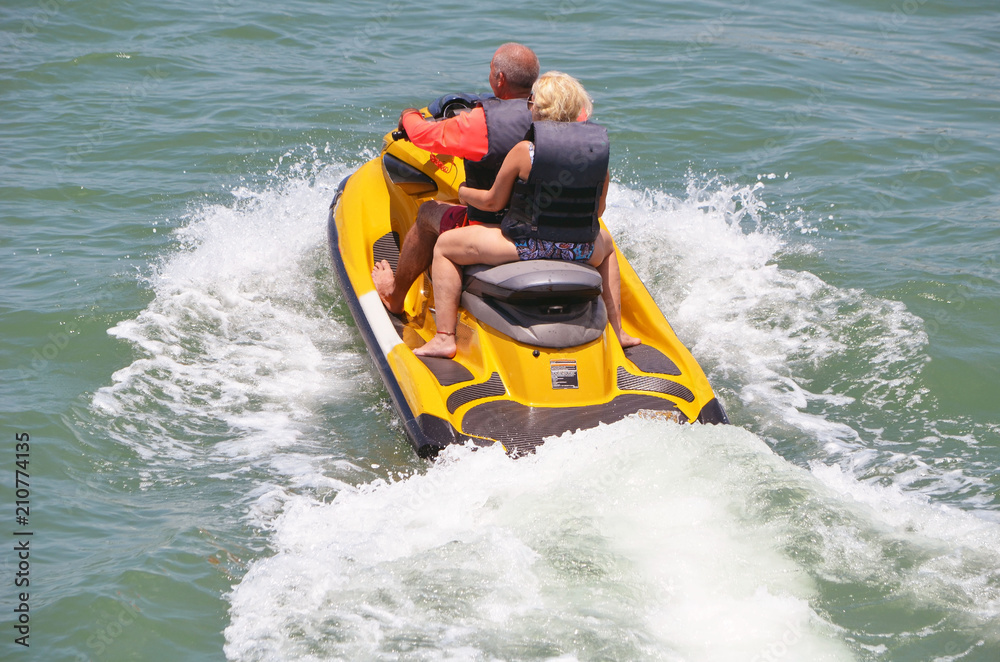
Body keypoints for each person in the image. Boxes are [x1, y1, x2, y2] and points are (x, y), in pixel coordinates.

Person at [414, 71, 641, 358]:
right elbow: (598, 211)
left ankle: (445, 337)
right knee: (607, 245)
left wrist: (463, 193)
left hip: (525, 246)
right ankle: (618, 330)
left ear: (538, 106)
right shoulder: (596, 153)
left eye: (531, 102)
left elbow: (493, 202)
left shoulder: (526, 151)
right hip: (580, 249)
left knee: (446, 247)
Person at [372, 42, 540, 314]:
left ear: (500, 79)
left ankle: (394, 294)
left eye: (490, 71)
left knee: (428, 212)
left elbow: (424, 136)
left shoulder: (481, 123)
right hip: (544, 227)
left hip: (494, 230)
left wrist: (409, 115)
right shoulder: (555, 116)